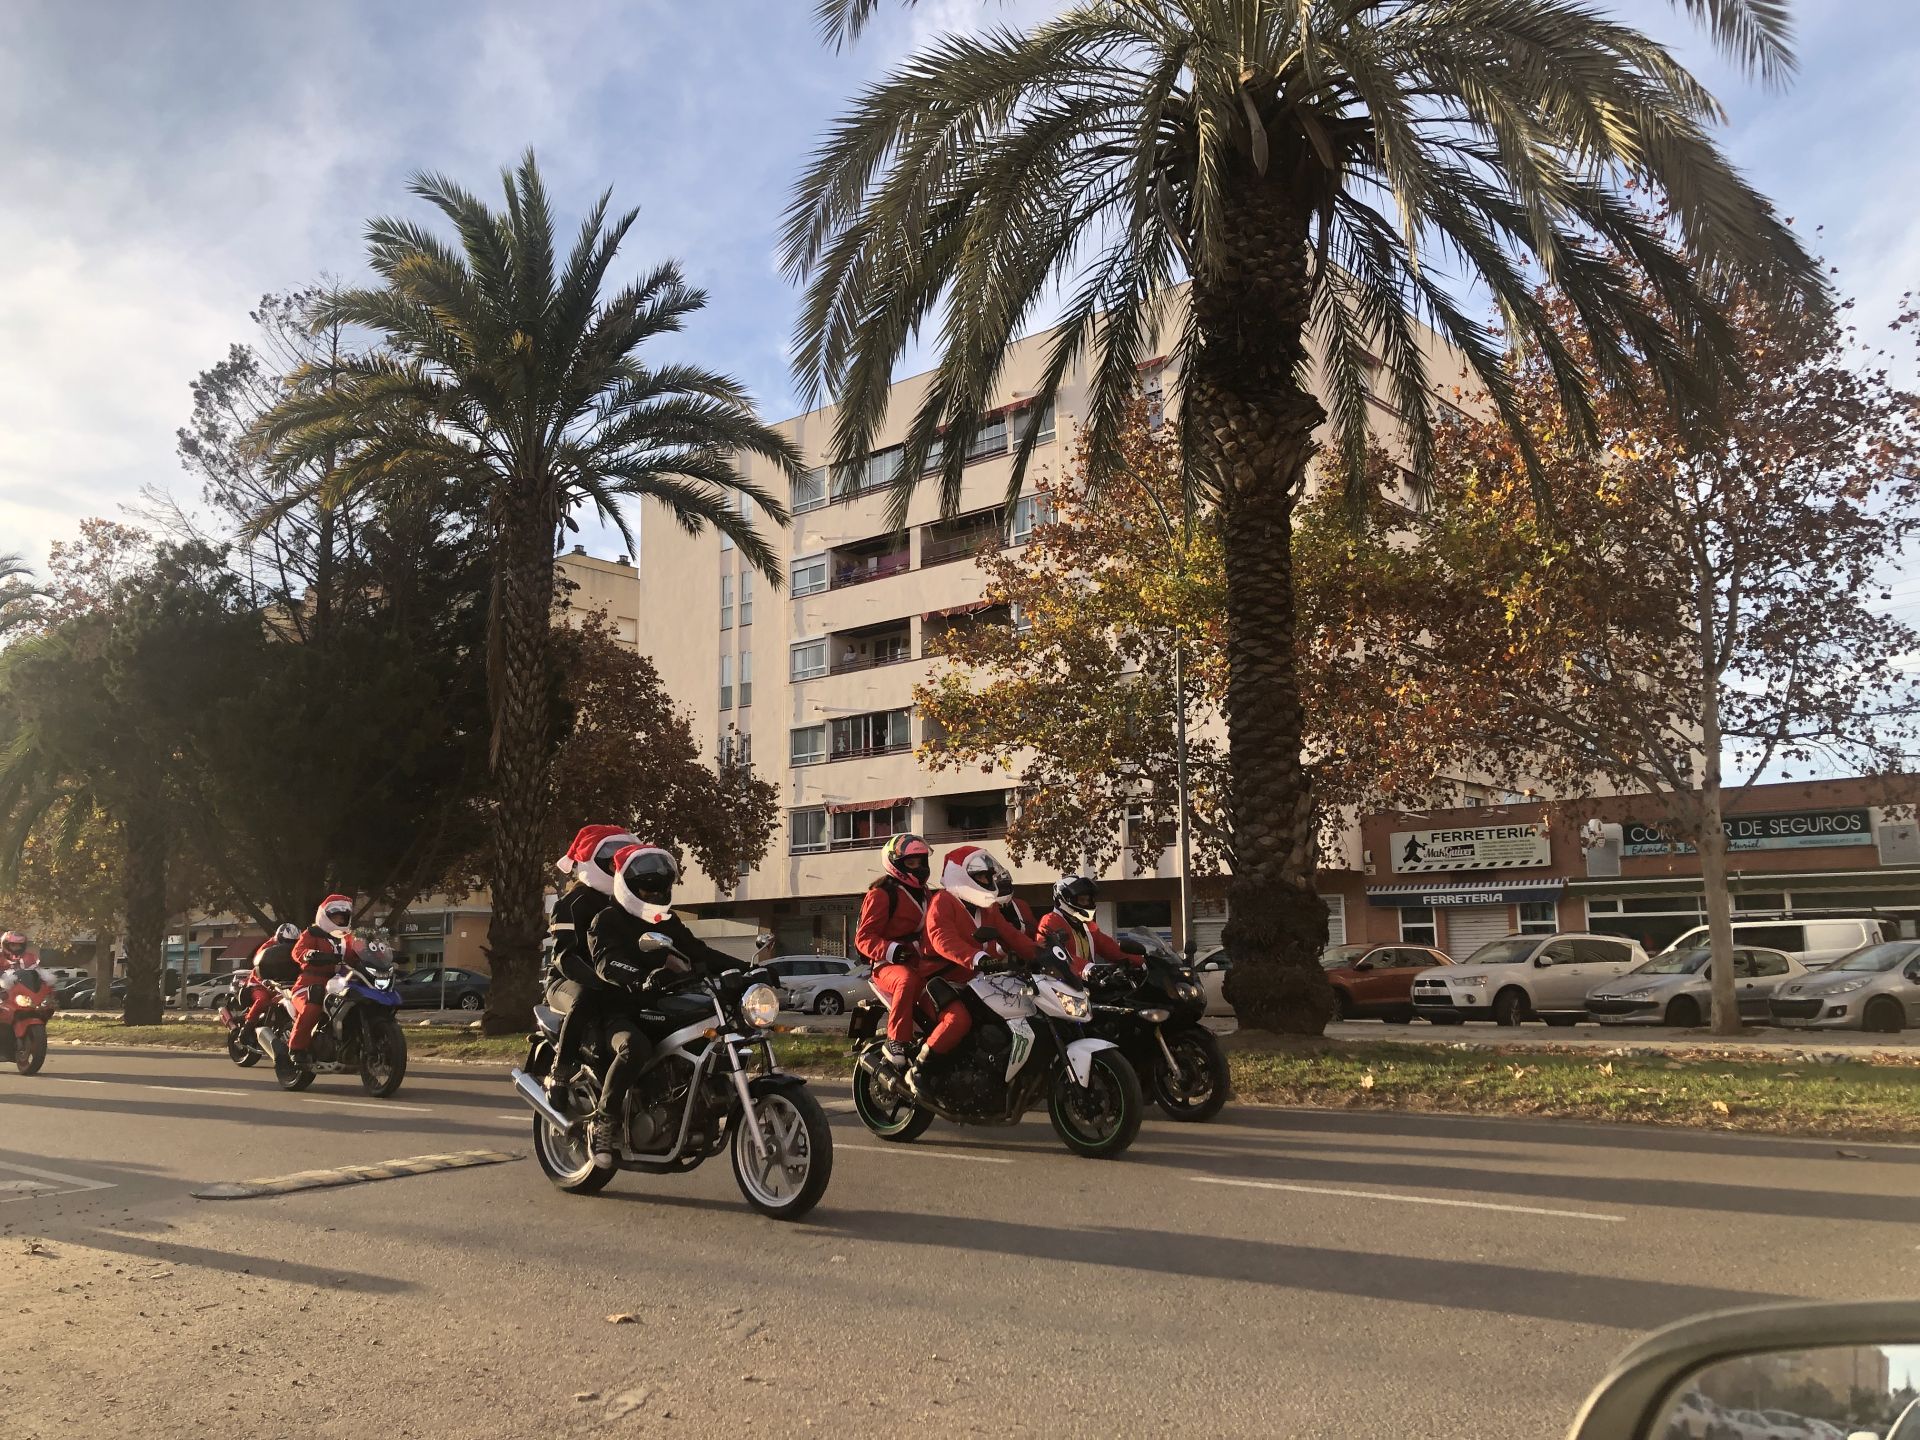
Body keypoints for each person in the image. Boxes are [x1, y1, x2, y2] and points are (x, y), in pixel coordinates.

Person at [584, 843, 740, 1166]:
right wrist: (642, 977)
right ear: (627, 885)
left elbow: (700, 953)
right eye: (646, 889)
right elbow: (607, 963)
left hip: (659, 1007)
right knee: (634, 1047)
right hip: (617, 1010)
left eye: (660, 889)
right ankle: (603, 1121)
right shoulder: (607, 920)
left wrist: (749, 971)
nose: (654, 895)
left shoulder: (667, 922)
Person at [912, 845, 1038, 1095]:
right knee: (958, 1019)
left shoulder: (987, 909)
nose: (987, 881)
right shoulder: (943, 901)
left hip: (977, 981)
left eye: (988, 876)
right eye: (980, 876)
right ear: (961, 875)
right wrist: (976, 957)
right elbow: (942, 938)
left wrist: (1042, 954)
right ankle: (921, 1069)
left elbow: (1012, 936)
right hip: (940, 981)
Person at [544, 824, 638, 1094]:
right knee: (586, 997)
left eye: (622, 858)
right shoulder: (571, 903)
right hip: (565, 981)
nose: (616, 865)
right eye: (611, 859)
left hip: (612, 980)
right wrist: (601, 981)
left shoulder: (628, 904)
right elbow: (565, 957)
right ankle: (561, 1070)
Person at [855, 834, 933, 1074]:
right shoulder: (881, 894)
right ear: (896, 863)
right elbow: (863, 938)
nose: (918, 868)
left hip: (921, 962)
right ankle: (896, 1039)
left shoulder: (927, 893)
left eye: (921, 862)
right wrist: (892, 950)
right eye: (911, 863)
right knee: (905, 980)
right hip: (887, 966)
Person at [287, 895, 361, 1068]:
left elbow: (358, 953)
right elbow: (297, 951)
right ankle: (296, 1048)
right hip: (309, 982)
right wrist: (308, 954)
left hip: (340, 982)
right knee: (313, 1005)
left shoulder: (349, 938)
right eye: (336, 917)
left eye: (343, 917)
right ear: (325, 916)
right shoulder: (312, 933)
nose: (340, 920)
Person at [1034, 875, 1141, 979]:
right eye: (1082, 900)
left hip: (1084, 983)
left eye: (1088, 900)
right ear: (1064, 899)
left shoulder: (1087, 925)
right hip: (1061, 983)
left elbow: (1109, 946)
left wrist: (1139, 960)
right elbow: (1056, 954)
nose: (1086, 904)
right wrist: (1088, 967)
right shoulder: (1051, 921)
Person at [238, 922, 302, 1032]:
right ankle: (247, 1028)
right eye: (287, 941)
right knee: (262, 1000)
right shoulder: (268, 947)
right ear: (279, 938)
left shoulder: (297, 949)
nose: (290, 945)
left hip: (283, 985)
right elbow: (259, 964)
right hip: (260, 983)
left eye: (294, 942)